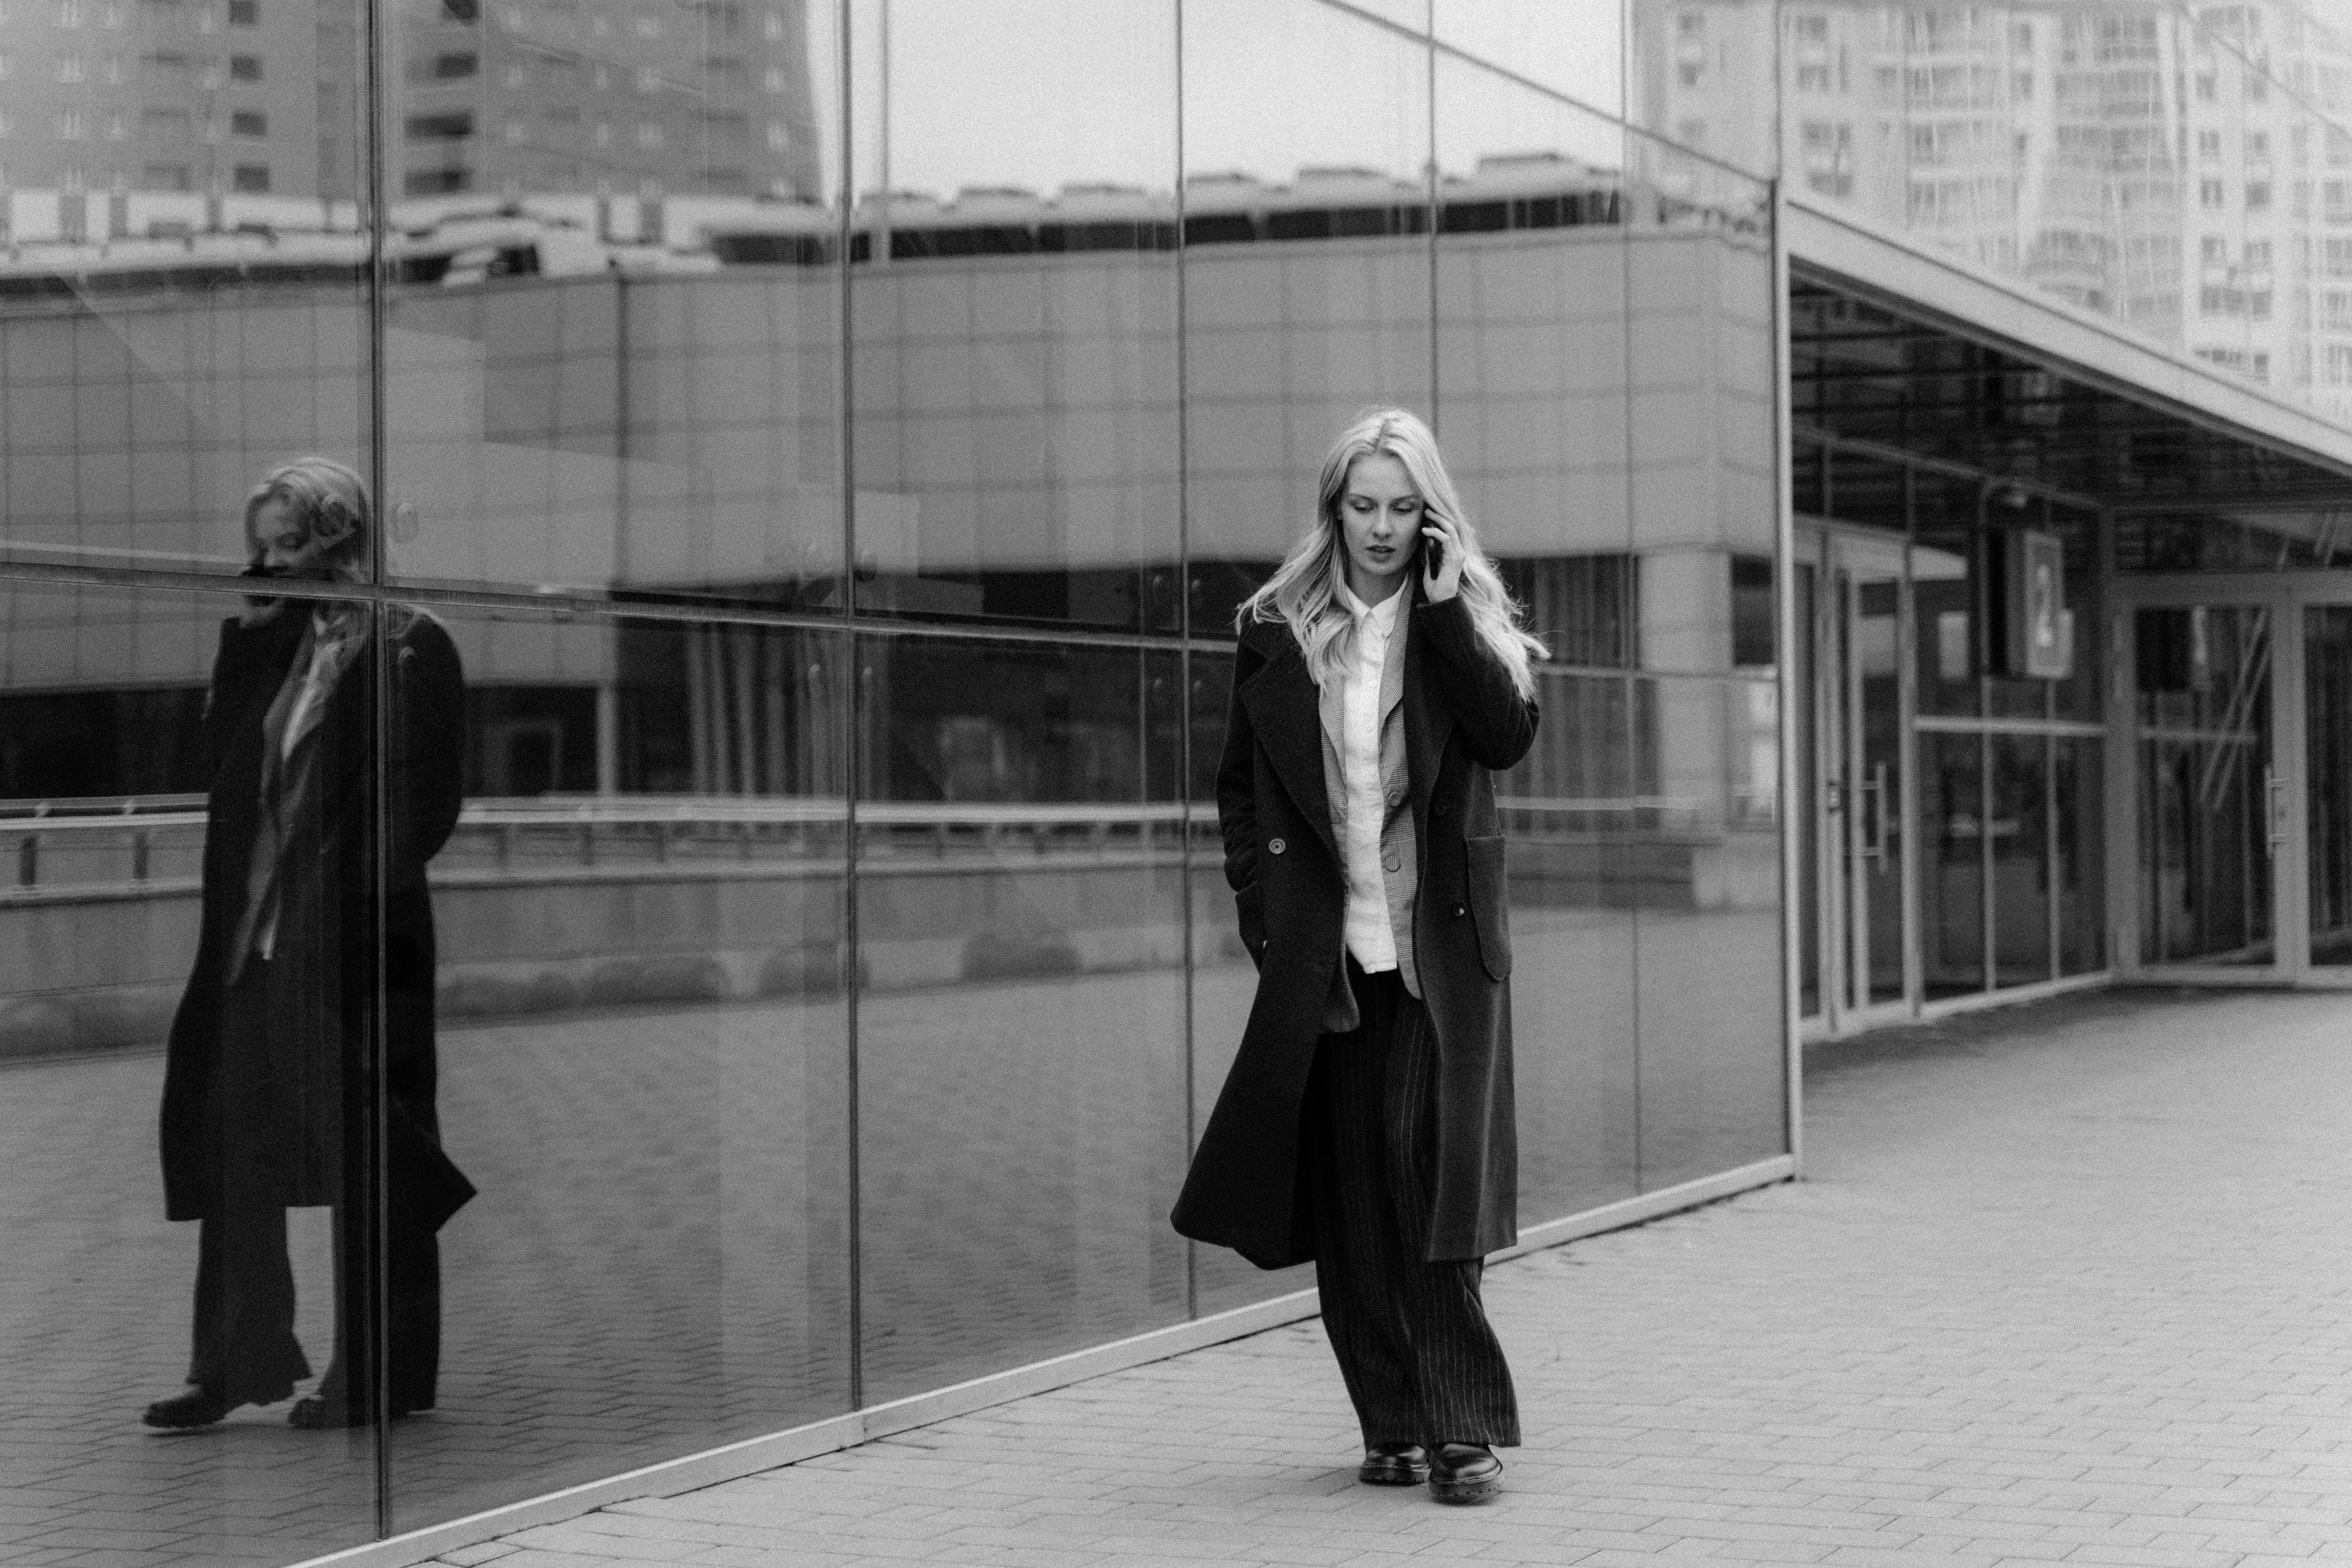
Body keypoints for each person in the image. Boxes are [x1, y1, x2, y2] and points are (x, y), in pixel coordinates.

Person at [1171, 409, 1543, 1504]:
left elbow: (1509, 738)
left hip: (1437, 954)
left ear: (1432, 514)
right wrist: (1266, 919)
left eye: (1402, 507)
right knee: (1352, 1196)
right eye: (1363, 505)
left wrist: (1440, 620)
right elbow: (1242, 789)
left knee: (1423, 1167)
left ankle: (1461, 1425)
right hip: (1328, 959)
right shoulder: (1278, 627)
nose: (1381, 528)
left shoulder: (1464, 618)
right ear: (1334, 508)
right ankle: (1390, 1420)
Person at [143, 457, 473, 1431]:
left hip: (355, 946)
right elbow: (216, 776)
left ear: (339, 541)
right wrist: (248, 646)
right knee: (231, 1141)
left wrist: (340, 901)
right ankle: (235, 1361)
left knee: (375, 1155)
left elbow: (424, 805)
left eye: (291, 543)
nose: (271, 560)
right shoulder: (270, 643)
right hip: (253, 949)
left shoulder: (415, 644)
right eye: (264, 543)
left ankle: (382, 1371)